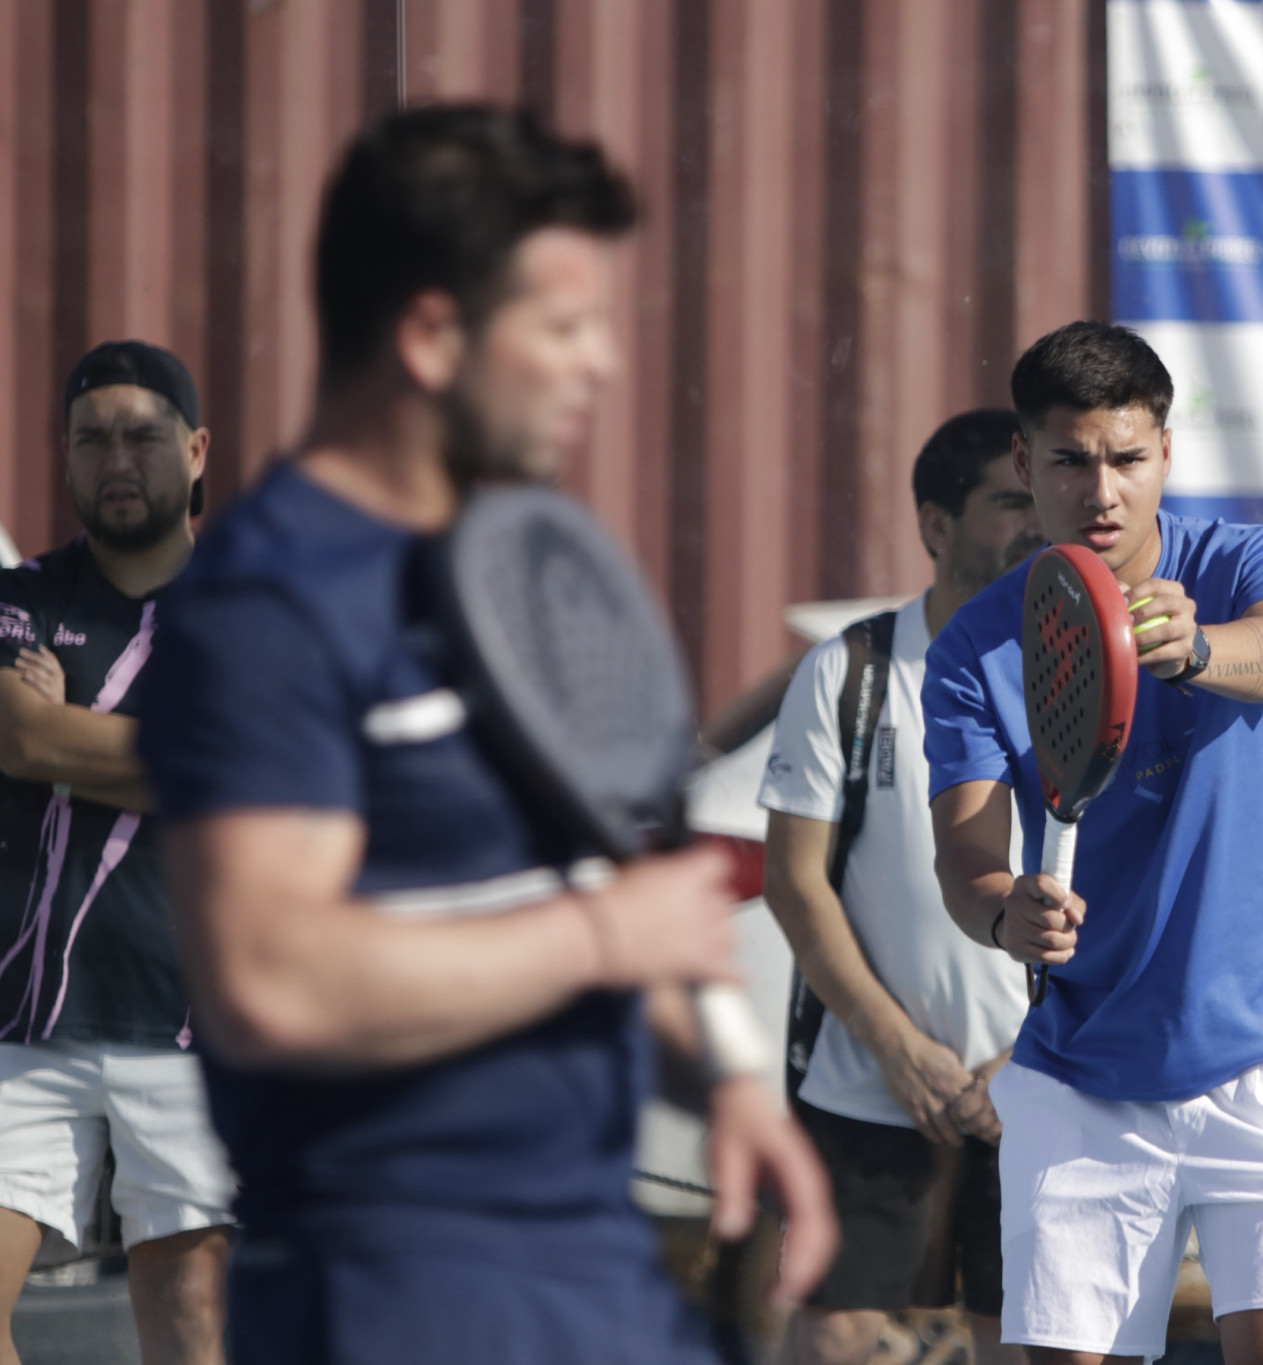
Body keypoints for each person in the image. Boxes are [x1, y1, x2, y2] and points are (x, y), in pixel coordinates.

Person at [135, 105, 832, 1364]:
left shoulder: (514, 575)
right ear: (432, 336)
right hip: (396, 1287)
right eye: (563, 327)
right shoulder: (271, 599)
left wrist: (727, 1076)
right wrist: (604, 936)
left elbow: (557, 912)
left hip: (591, 1267)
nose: (600, 363)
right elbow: (270, 979)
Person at [922, 322, 1263, 1365]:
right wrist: (1007, 911)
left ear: (1166, 454)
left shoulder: (1247, 562)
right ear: (1025, 464)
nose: (1101, 491)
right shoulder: (972, 647)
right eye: (1069, 461)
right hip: (1084, 1080)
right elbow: (965, 860)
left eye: (1127, 458)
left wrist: (1197, 651)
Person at [759, 409, 1040, 1365]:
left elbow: (1122, 887)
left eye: (1040, 502)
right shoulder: (852, 671)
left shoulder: (1077, 673)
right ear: (935, 525)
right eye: (1009, 503)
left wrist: (1029, 1056)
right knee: (836, 1333)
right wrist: (896, 1047)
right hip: (868, 1078)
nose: (1035, 524)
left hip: (1038, 1075)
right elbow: (794, 881)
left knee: (1026, 1337)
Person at [0, 341, 233, 1365]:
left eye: (143, 435)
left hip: (189, 1022)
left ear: (197, 449)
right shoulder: (19, 599)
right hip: (24, 1017)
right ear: (64, 456)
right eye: (91, 439)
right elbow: (19, 738)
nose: (117, 459)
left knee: (188, 1330)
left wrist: (69, 736)